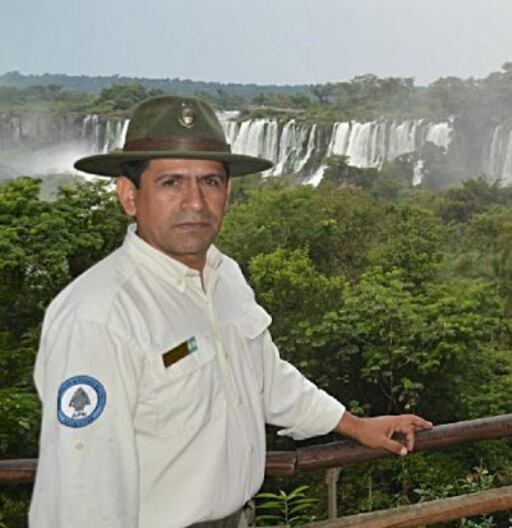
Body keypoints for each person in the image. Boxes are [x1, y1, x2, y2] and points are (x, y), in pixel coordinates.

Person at [30, 95, 432, 528]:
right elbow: (84, 492)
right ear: (129, 195)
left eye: (210, 182)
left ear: (228, 192)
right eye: (171, 183)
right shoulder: (98, 317)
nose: (195, 202)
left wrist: (354, 425)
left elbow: (266, 377)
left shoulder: (225, 278)